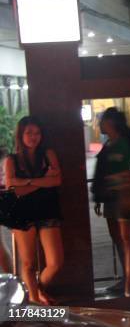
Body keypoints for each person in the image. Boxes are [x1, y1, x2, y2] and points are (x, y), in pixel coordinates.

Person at [4, 116, 63, 304]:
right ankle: (35, 300)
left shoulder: (48, 154)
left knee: (55, 262)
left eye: (37, 133)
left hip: (47, 210)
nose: (33, 137)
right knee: (28, 262)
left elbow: (56, 180)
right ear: (20, 135)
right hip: (22, 213)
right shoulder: (11, 160)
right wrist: (41, 180)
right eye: (29, 133)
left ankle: (36, 290)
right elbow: (13, 187)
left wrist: (27, 182)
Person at [92, 108, 130, 298]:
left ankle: (129, 282)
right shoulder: (109, 144)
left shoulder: (122, 144)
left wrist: (108, 183)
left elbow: (125, 174)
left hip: (123, 195)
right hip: (110, 197)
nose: (100, 125)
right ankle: (126, 278)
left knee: (125, 238)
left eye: (102, 121)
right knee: (117, 238)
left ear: (111, 123)